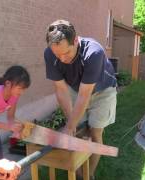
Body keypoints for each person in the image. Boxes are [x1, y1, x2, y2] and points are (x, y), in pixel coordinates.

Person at [44, 20, 117, 179]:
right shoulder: (49, 54)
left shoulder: (94, 52)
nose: (62, 59)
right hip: (75, 88)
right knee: (75, 133)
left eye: (67, 53)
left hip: (103, 90)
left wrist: (70, 126)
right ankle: (77, 174)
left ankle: (89, 174)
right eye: (58, 54)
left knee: (95, 131)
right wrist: (71, 123)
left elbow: (85, 94)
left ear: (76, 40)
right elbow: (61, 89)